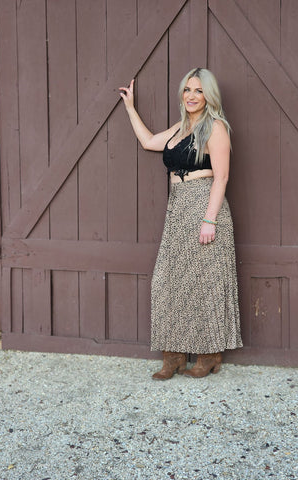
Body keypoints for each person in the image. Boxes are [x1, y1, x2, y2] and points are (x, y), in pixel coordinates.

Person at [119, 68, 242, 380]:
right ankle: (173, 357)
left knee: (204, 284)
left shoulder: (215, 128)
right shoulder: (181, 128)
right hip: (177, 210)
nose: (191, 96)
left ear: (209, 96)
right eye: (187, 89)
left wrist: (209, 220)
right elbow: (148, 141)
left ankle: (209, 355)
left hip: (204, 206)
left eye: (199, 91)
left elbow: (222, 176)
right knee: (167, 282)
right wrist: (130, 107)